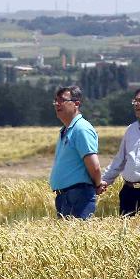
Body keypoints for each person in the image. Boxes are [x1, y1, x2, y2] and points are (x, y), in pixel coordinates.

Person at [48, 85, 104, 220]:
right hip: (65, 196)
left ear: (76, 104)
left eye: (62, 100)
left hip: (79, 195)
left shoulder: (81, 129)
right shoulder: (66, 130)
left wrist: (98, 184)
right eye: (56, 101)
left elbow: (94, 166)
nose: (57, 104)